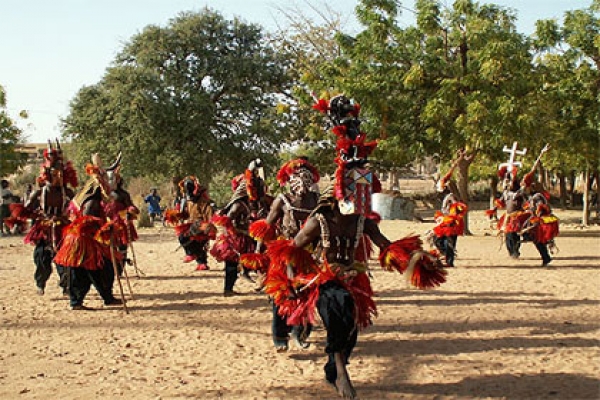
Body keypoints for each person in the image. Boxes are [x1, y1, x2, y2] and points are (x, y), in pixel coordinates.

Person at [264, 95, 448, 399]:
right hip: (324, 280)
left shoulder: (363, 220)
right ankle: (341, 373)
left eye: (363, 189)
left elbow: (388, 248)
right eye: (355, 189)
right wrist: (288, 282)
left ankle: (334, 366)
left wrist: (421, 261)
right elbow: (291, 250)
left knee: (350, 328)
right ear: (338, 193)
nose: (360, 196)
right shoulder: (319, 220)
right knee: (336, 308)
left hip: (355, 279)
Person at [241, 158, 320, 352]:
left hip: (309, 255)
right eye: (297, 176)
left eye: (306, 176)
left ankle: (300, 333)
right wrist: (258, 254)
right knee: (282, 295)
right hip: (283, 255)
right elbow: (267, 227)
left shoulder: (317, 202)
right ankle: (280, 337)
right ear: (289, 180)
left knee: (308, 295)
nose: (302, 180)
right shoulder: (282, 200)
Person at [54, 152, 123, 310]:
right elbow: (87, 222)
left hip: (84, 239)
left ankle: (105, 297)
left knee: (100, 269)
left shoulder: (90, 198)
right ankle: (79, 301)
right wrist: (106, 229)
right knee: (93, 269)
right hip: (83, 240)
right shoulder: (91, 201)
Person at [23, 140, 78, 295]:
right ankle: (40, 283)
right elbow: (26, 208)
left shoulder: (67, 193)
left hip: (62, 227)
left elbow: (77, 208)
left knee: (65, 258)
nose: (58, 176)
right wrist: (37, 215)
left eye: (61, 173)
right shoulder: (39, 193)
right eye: (55, 173)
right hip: (44, 228)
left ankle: (66, 285)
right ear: (48, 173)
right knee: (41, 259)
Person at [211, 159, 270, 296]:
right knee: (231, 264)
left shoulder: (251, 205)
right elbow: (227, 221)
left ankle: (258, 280)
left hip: (245, 236)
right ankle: (228, 289)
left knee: (259, 255)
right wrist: (232, 236)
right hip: (235, 238)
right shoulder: (238, 206)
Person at [430, 151, 468, 267]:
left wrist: (454, 215)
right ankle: (445, 255)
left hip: (451, 222)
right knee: (437, 239)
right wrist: (455, 163)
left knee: (449, 242)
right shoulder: (445, 196)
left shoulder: (451, 196)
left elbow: (458, 206)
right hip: (444, 220)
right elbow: (449, 173)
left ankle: (449, 261)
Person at [170, 176, 216, 271]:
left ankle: (197, 259)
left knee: (193, 241)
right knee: (188, 240)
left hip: (202, 225)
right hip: (192, 225)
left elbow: (209, 215)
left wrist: (208, 226)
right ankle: (201, 262)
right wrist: (176, 215)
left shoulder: (204, 202)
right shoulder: (187, 201)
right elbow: (186, 214)